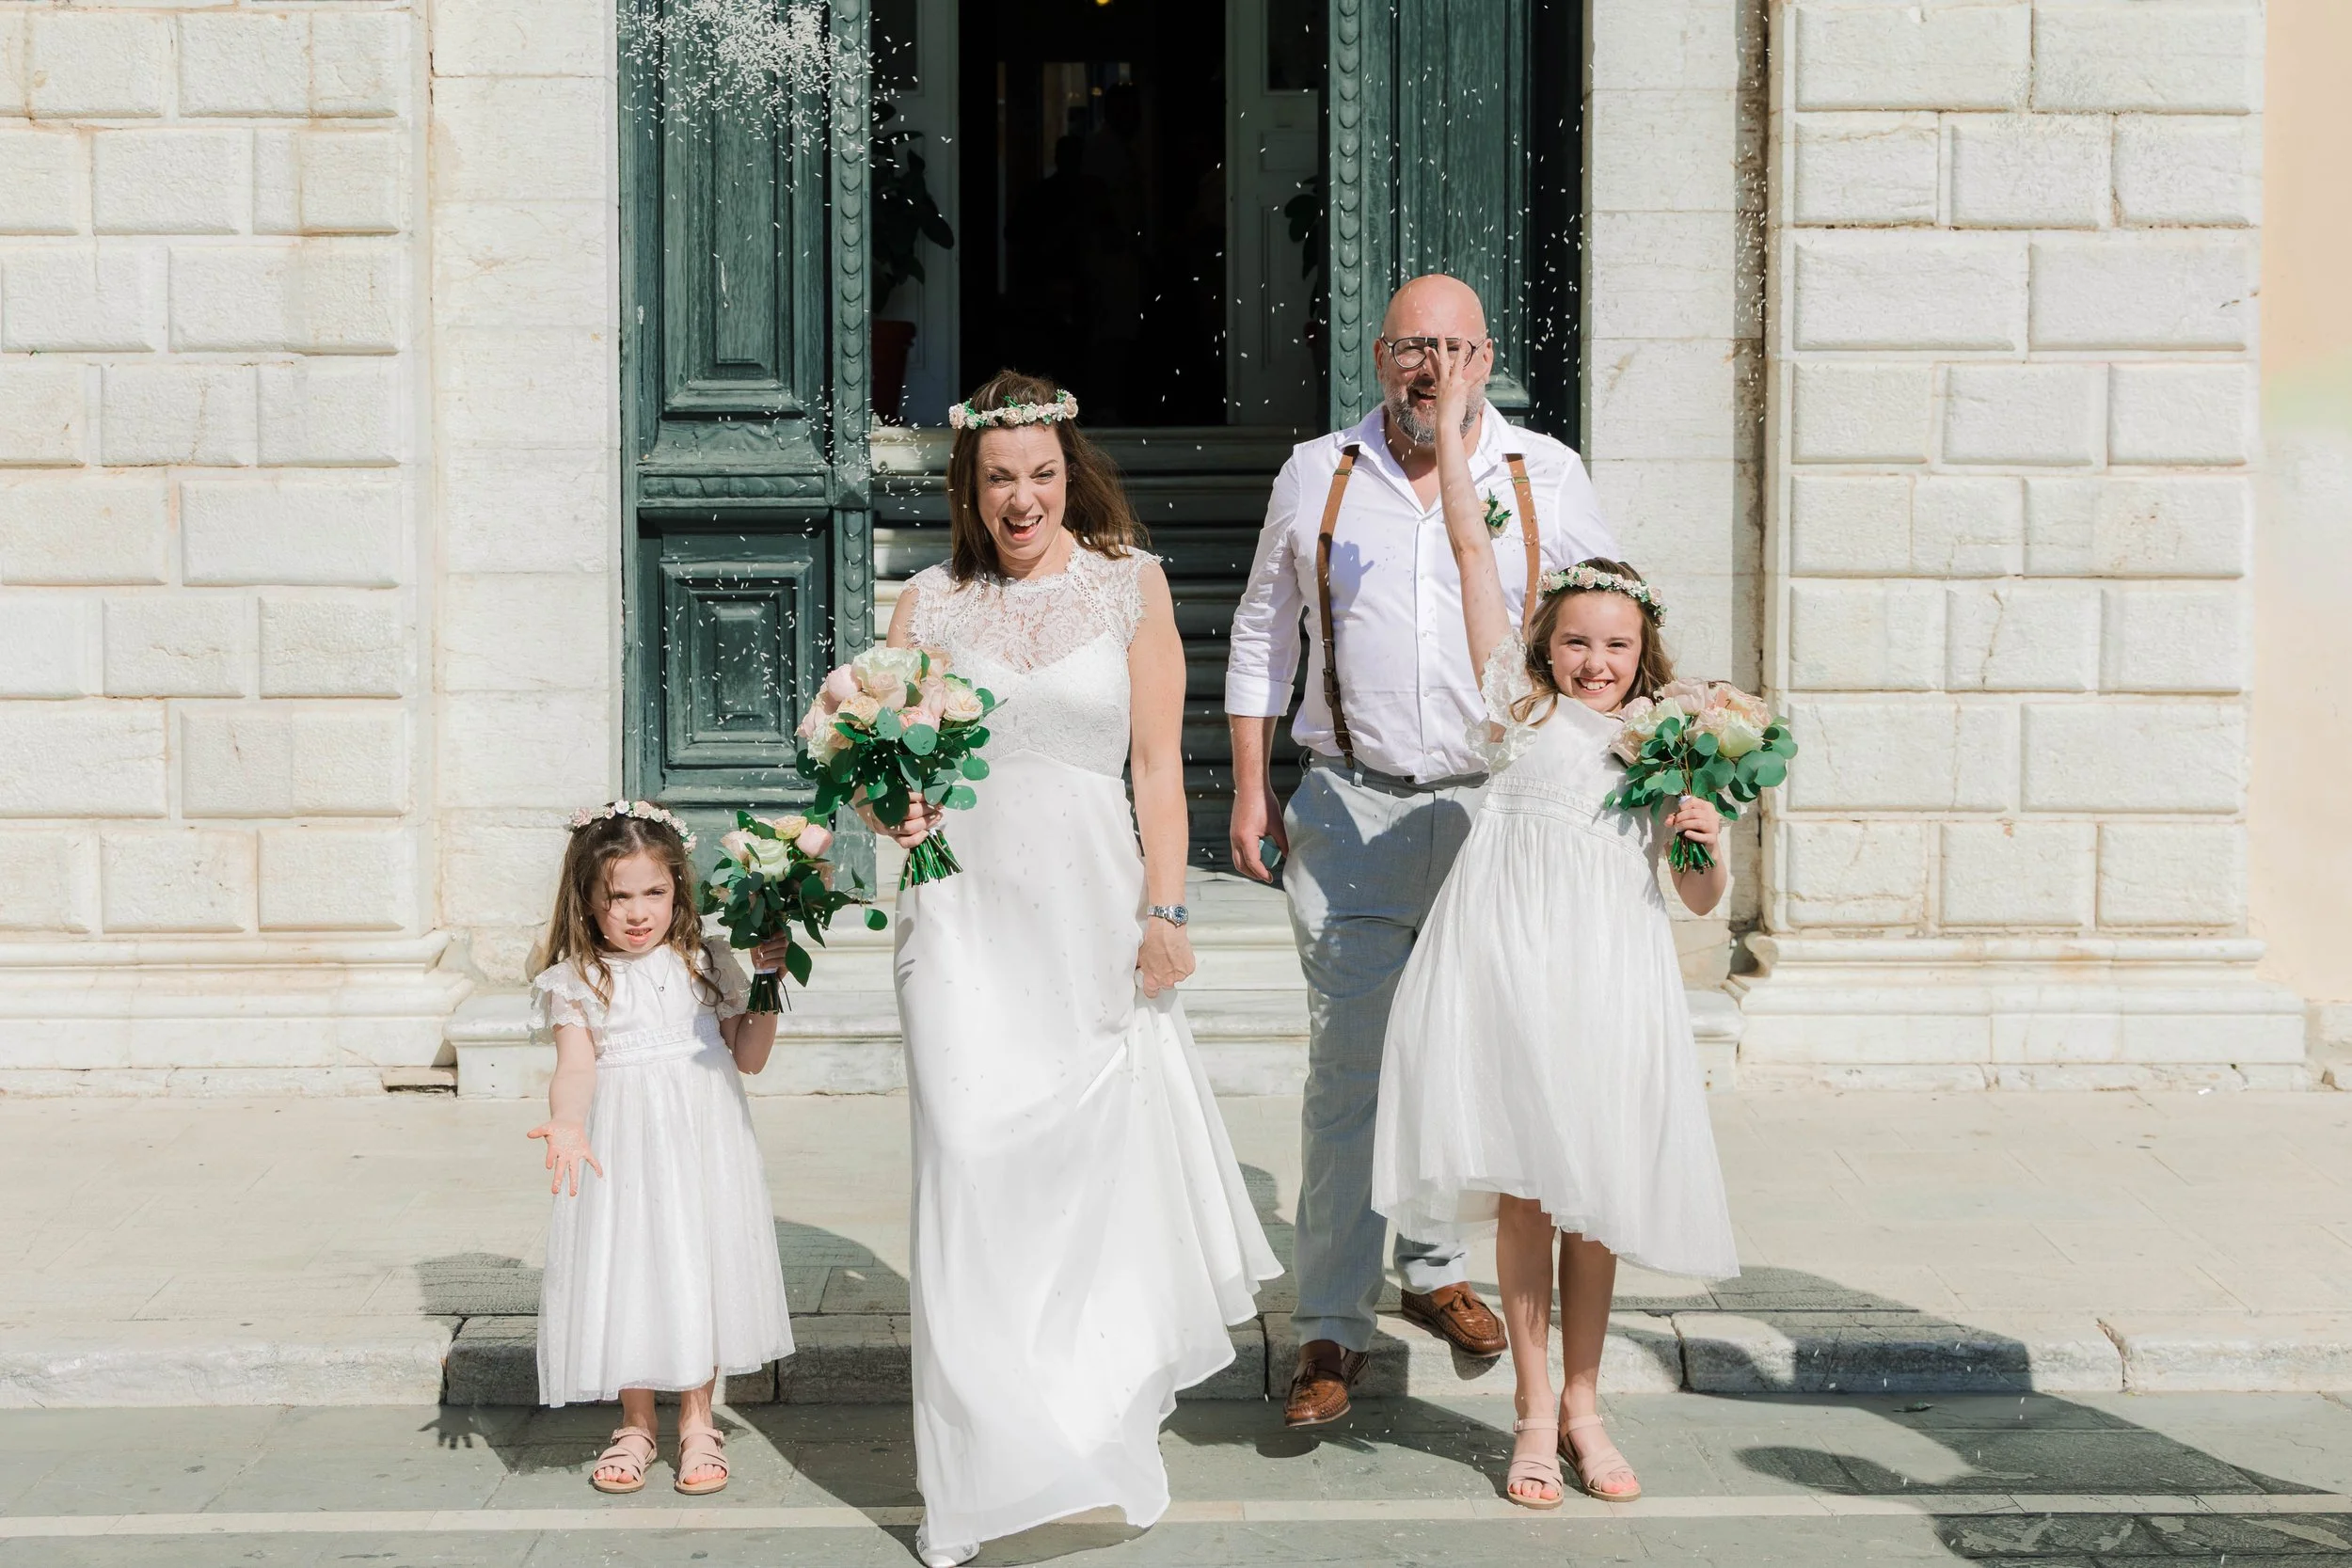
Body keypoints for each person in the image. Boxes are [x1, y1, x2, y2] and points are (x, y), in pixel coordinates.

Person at [875, 371, 1281, 1567]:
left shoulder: (1130, 586)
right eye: (998, 477)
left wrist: (1167, 904)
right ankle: (977, 1470)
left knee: (1080, 1176)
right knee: (966, 1164)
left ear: (1070, 473)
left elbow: (1157, 765)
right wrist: (890, 806)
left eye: (1041, 473)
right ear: (968, 485)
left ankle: (1082, 1419)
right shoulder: (926, 601)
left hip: (1092, 908)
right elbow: (889, 767)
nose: (1021, 497)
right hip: (959, 915)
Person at [1225, 275, 1619, 1427]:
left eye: (1450, 347)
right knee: (1351, 1065)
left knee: (1476, 1064)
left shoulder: (1543, 471)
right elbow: (1263, 627)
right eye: (1409, 346)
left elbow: (1610, 622)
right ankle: (1331, 1325)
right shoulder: (1317, 471)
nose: (1428, 367)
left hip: (1498, 814)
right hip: (1350, 806)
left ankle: (1435, 1266)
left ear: (1483, 356)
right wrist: (1251, 784)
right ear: (1380, 354)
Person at [1372, 342, 1739, 1507]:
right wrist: (1458, 415)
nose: (1592, 660)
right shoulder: (1516, 706)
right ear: (1546, 648)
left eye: (1614, 647)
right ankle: (1531, 1404)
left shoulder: (1665, 743)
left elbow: (1695, 897)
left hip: (1606, 977)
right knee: (1527, 1190)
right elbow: (1476, 550)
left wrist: (1704, 836)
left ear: (1644, 659)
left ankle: (1588, 1399)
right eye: (1575, 640)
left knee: (1599, 1194)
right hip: (1504, 969)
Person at [526, 800, 796, 1497]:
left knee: (695, 1260)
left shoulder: (705, 963)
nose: (638, 911)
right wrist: (568, 1120)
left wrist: (768, 982)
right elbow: (576, 1066)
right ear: (587, 899)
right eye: (618, 896)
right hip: (623, 1143)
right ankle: (636, 1419)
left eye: (654, 891)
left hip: (702, 1140)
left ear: (678, 889)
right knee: (632, 1265)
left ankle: (699, 1419)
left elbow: (749, 1056)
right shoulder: (577, 980)